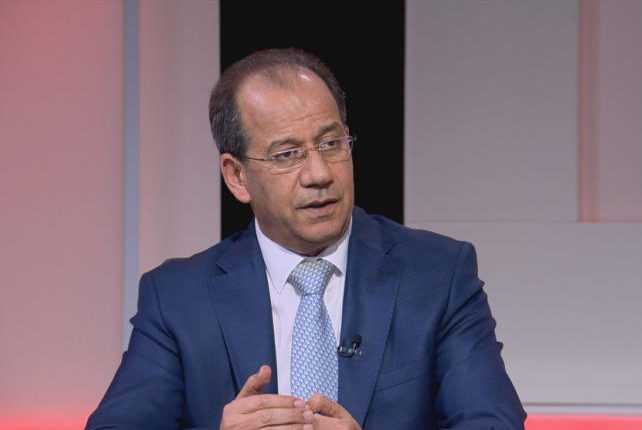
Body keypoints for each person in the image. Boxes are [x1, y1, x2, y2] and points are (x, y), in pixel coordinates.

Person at [86, 47, 526, 430]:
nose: (319, 174)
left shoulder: (437, 276)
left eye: (331, 144)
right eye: (288, 154)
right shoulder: (178, 299)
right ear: (237, 176)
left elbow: (492, 423)